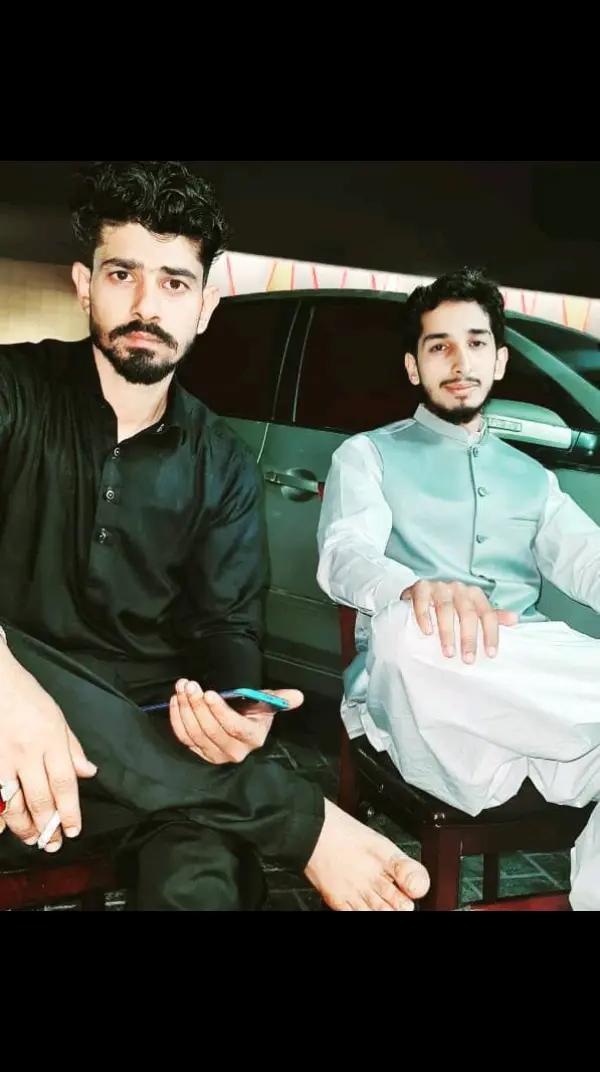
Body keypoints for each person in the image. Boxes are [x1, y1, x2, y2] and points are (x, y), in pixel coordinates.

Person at [0, 160, 430, 911]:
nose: (146, 305)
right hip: (9, 731)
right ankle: (298, 821)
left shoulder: (223, 462)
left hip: (159, 755)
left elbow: (226, 624)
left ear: (204, 307)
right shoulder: (12, 393)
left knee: (205, 879)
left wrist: (236, 709)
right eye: (122, 274)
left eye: (174, 283)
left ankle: (253, 806)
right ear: (83, 285)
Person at [318, 267, 600, 910]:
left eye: (475, 343)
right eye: (438, 345)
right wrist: (415, 589)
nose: (459, 361)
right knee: (402, 634)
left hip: (522, 672)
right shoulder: (366, 455)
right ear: (413, 367)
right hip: (432, 690)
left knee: (547, 643)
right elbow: (343, 556)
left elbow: (591, 560)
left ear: (499, 361)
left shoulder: (534, 479)